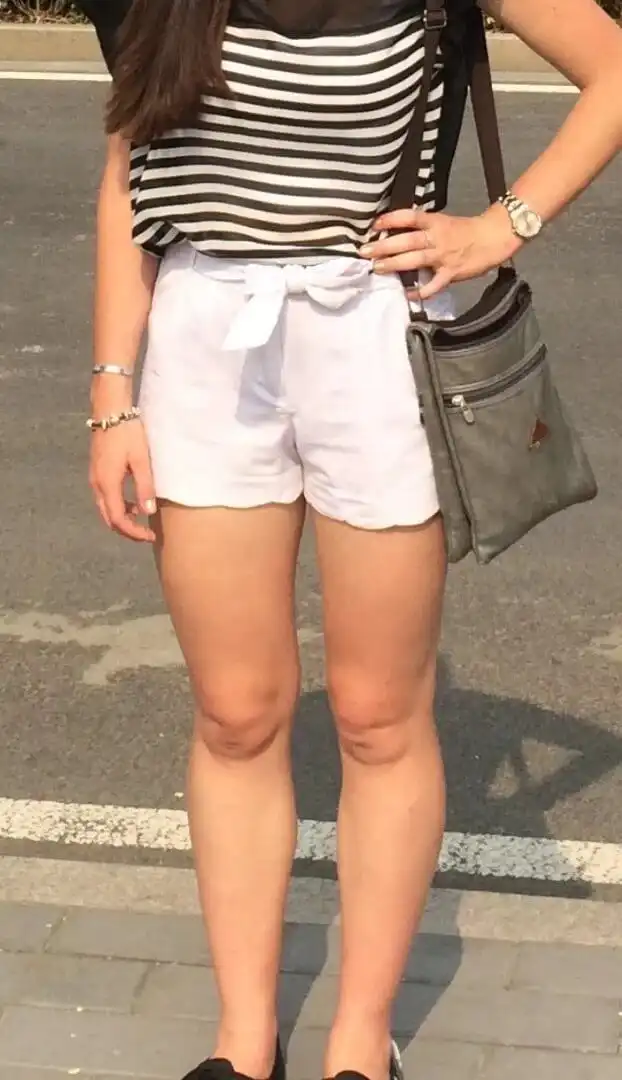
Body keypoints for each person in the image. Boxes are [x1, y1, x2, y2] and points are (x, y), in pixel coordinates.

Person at [77, 2, 622, 1079]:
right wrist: (110, 393)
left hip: (375, 334)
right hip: (205, 335)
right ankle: (244, 1043)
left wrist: (500, 225)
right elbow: (128, 175)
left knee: (377, 715)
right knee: (236, 713)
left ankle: (361, 1045)